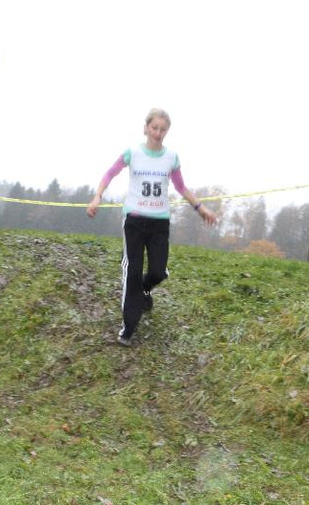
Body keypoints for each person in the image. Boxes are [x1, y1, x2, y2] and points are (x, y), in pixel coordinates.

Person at [87, 108, 217, 346]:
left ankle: (144, 290)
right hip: (134, 221)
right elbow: (109, 174)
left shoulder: (171, 158)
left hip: (159, 222)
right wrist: (97, 197)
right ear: (146, 128)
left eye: (162, 129)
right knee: (133, 271)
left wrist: (200, 208)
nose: (158, 133)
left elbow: (181, 187)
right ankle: (129, 327)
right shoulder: (132, 152)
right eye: (154, 128)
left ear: (167, 131)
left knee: (159, 272)